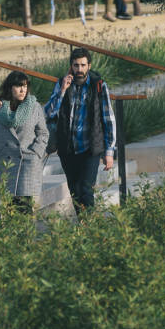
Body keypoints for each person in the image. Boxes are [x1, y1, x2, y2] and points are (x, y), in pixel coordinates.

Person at [44, 47, 116, 214]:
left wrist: (109, 151)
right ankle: (83, 225)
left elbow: (108, 118)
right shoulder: (62, 83)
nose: (79, 70)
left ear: (89, 66)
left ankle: (89, 227)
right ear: (71, 66)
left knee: (85, 188)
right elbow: (48, 113)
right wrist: (62, 90)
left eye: (83, 65)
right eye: (76, 65)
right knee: (75, 190)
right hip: (67, 148)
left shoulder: (99, 85)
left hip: (90, 147)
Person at [0, 70, 49, 213]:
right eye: (18, 86)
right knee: (9, 205)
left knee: (24, 204)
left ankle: (26, 235)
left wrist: (36, 152)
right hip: (5, 161)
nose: (23, 89)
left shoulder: (34, 107)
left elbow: (43, 133)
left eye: (25, 86)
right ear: (10, 88)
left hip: (27, 160)